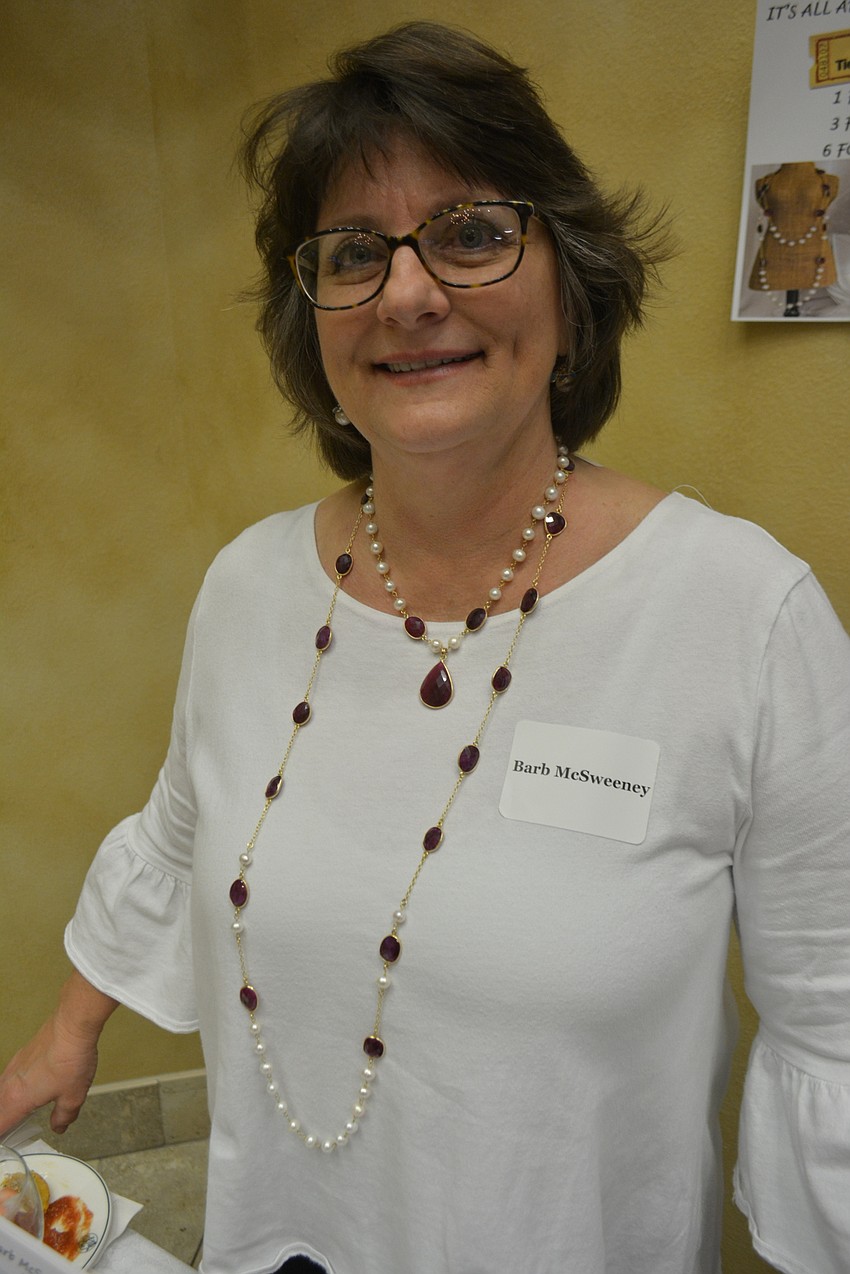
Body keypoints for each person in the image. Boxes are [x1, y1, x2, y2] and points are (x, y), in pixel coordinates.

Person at [2, 21, 849, 1274]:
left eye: (468, 233)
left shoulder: (742, 614)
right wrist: (70, 1028)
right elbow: (184, 822)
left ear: (572, 283)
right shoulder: (246, 585)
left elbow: (832, 1029)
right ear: (316, 327)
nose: (407, 293)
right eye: (354, 253)